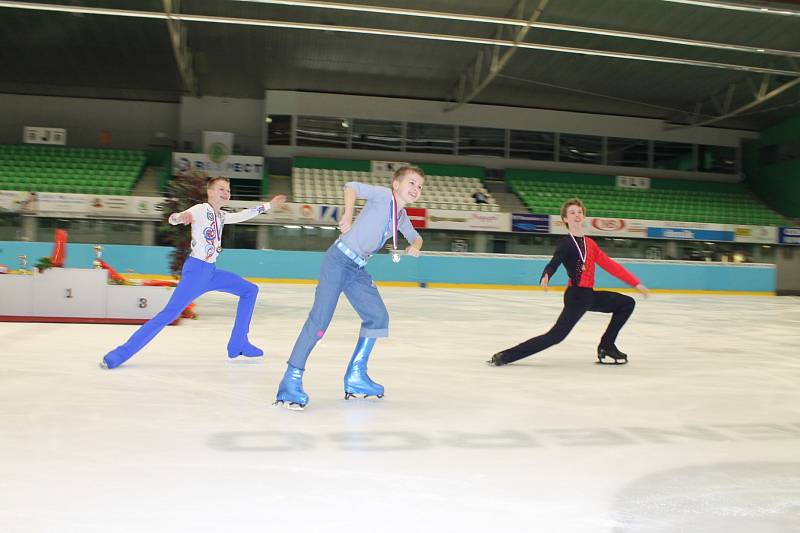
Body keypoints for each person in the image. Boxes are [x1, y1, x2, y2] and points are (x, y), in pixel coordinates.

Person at [274, 165, 425, 410]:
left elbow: (415, 236)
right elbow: (351, 187)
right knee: (320, 321)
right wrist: (346, 215)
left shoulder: (401, 216)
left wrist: (415, 245)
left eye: (419, 186)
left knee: (377, 317)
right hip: (338, 260)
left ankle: (356, 377)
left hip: (357, 270)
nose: (416, 189)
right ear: (396, 184)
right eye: (411, 183)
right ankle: (290, 381)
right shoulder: (384, 196)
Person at [100, 177, 286, 369]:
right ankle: (119, 354)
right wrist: (180, 218)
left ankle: (238, 342)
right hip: (196, 272)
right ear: (211, 192)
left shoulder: (221, 216)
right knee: (168, 314)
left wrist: (269, 206)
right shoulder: (200, 209)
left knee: (250, 290)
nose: (226, 193)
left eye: (228, 190)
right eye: (221, 189)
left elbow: (242, 215)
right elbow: (174, 218)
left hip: (211, 272)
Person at [488, 197, 649, 367]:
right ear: (565, 219)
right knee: (556, 336)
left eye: (579, 212)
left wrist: (635, 283)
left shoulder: (590, 244)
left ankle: (606, 346)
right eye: (572, 213)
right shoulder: (566, 244)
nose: (577, 215)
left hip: (589, 295)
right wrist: (546, 275)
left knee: (626, 303)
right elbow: (555, 261)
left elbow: (609, 265)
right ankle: (505, 356)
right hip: (576, 296)